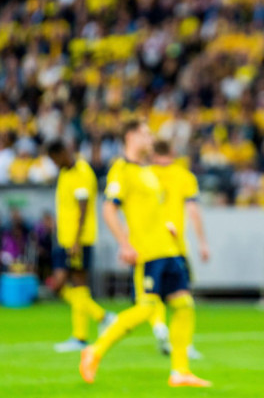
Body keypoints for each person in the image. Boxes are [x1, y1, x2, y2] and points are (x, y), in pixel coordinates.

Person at [79, 119, 210, 387]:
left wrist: (168, 227)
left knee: (184, 306)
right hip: (148, 253)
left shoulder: (146, 171)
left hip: (169, 248)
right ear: (130, 136)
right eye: (145, 134)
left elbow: (150, 211)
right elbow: (108, 209)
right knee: (146, 308)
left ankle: (180, 371)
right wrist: (125, 244)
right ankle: (95, 350)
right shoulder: (121, 170)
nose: (151, 138)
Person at [46, 139, 115, 352]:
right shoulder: (65, 174)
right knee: (60, 286)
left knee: (77, 284)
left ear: (64, 153)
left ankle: (81, 336)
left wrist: (76, 240)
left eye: (54, 159)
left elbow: (83, 209)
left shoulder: (82, 172)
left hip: (79, 240)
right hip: (64, 238)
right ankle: (101, 317)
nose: (54, 164)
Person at [148, 139, 210, 359]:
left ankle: (158, 326)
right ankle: (184, 344)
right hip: (176, 247)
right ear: (173, 152)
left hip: (148, 246)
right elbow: (193, 211)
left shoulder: (145, 175)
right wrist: (202, 243)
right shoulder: (184, 176)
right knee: (183, 297)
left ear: (152, 152)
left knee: (150, 295)